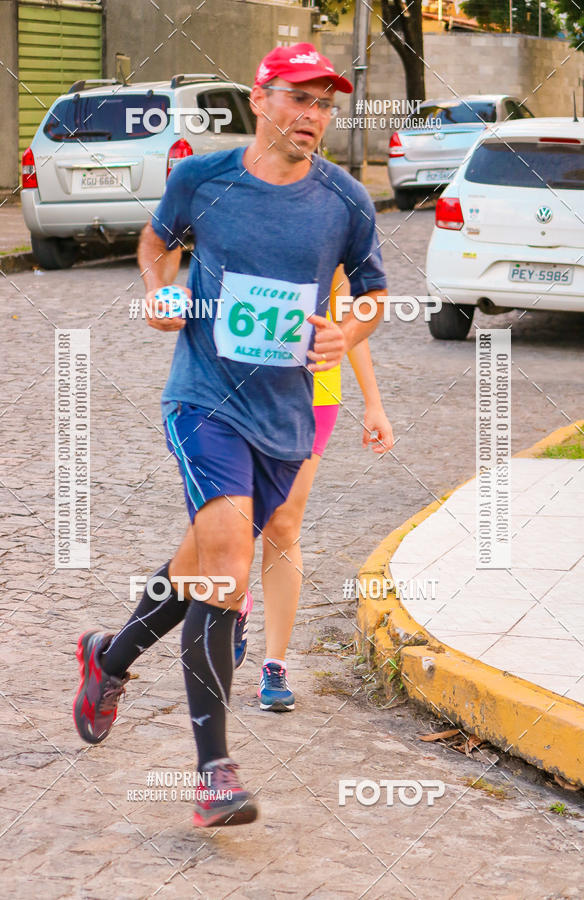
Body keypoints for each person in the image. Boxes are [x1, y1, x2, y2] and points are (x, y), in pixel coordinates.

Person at [72, 42, 388, 829]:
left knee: (199, 568)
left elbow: (375, 294)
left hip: (286, 419)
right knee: (226, 567)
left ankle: (106, 659)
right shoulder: (201, 180)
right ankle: (214, 773)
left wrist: (344, 335)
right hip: (204, 400)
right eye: (299, 99)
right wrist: (158, 292)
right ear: (261, 99)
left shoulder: (346, 201)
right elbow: (156, 244)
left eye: (324, 104)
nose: (313, 117)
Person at [234, 267, 394, 711]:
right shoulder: (242, 212)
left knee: (283, 525)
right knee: (234, 520)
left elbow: (352, 323)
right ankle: (233, 602)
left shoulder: (329, 226)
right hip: (243, 391)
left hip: (314, 395)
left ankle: (275, 664)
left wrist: (374, 404)